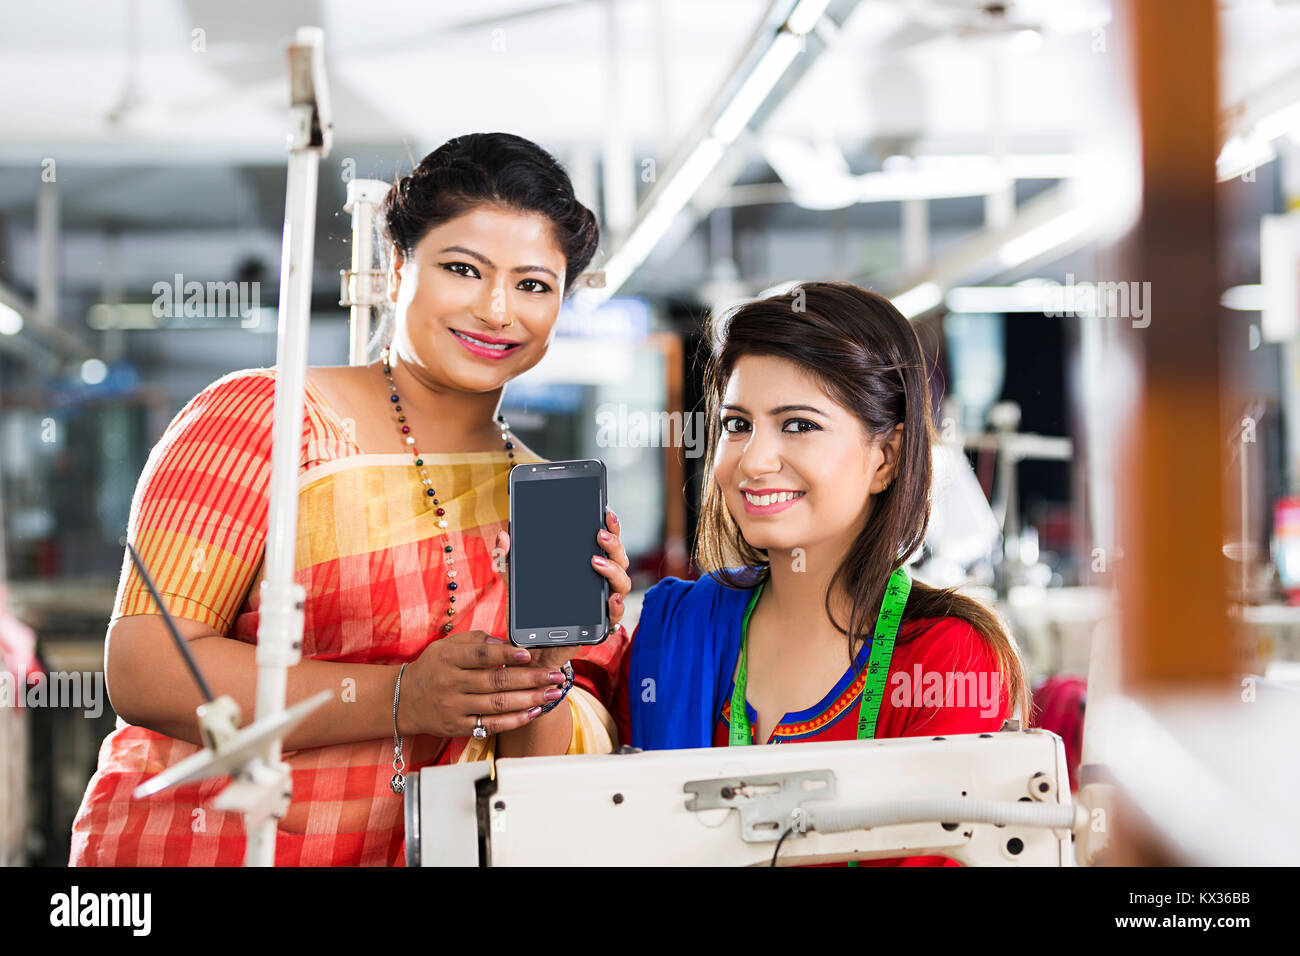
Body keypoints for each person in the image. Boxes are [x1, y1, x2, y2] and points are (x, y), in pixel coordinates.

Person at [69, 132, 631, 866]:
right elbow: (145, 669)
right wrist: (400, 696)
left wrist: (543, 665)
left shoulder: (538, 495)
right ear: (398, 270)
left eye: (533, 284)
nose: (498, 311)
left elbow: (535, 782)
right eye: (463, 269)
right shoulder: (265, 420)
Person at [610, 280, 1032, 866]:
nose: (754, 460)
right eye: (737, 425)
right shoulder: (674, 628)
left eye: (798, 425)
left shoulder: (947, 659)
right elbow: (593, 824)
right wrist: (548, 668)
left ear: (885, 458)